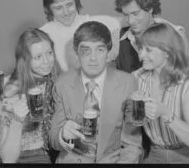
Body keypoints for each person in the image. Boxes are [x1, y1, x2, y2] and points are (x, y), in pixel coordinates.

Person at [0, 0, 124, 92]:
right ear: (49, 9)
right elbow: (25, 68)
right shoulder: (44, 34)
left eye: (69, 5)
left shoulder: (94, 22)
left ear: (76, 2)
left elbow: (133, 18)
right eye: (59, 8)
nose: (66, 12)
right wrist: (0, 81)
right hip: (63, 97)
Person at [49, 21, 143, 163]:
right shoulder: (62, 83)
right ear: (76, 51)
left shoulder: (128, 82)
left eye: (100, 50)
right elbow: (54, 138)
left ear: (108, 51)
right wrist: (62, 134)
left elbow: (132, 145)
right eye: (86, 50)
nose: (93, 58)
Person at [125, 22, 189, 167]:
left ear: (166, 52)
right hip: (156, 154)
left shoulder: (188, 86)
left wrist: (166, 114)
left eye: (148, 50)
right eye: (141, 49)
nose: (141, 56)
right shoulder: (137, 77)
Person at [0, 28, 59, 163]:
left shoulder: (54, 82)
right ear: (25, 60)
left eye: (49, 53)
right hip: (4, 153)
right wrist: (17, 119)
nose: (46, 61)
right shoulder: (10, 91)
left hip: (39, 152)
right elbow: (8, 158)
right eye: (37, 57)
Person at [114, 0, 189, 73]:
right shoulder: (119, 36)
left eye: (135, 13)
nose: (130, 21)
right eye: (126, 14)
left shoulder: (173, 35)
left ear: (150, 8)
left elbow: (182, 77)